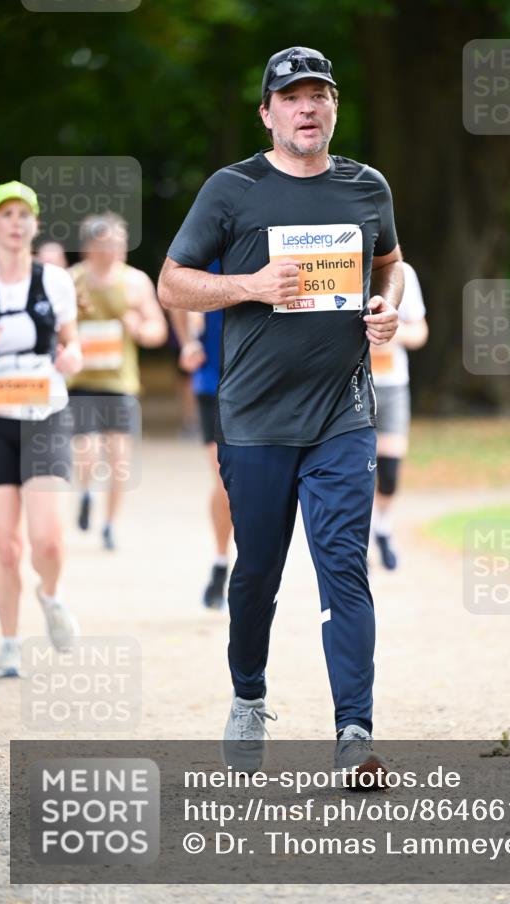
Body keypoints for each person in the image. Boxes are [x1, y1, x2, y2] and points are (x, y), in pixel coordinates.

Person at [158, 45, 404, 780]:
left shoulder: (367, 188)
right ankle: (246, 696)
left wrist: (385, 311)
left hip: (342, 415)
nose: (307, 108)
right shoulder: (232, 190)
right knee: (258, 569)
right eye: (291, 97)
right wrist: (251, 285)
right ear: (267, 113)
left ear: (333, 107)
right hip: (255, 421)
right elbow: (172, 284)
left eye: (318, 95)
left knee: (343, 569)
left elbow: (392, 263)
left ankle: (353, 733)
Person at [0, 181, 82, 678]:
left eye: (23, 215)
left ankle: (51, 594)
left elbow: (73, 343)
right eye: (5, 214)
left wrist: (72, 355)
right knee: (4, 544)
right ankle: (8, 642)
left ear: (35, 224)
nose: (15, 223)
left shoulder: (53, 281)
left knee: (46, 540)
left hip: (45, 413)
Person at [68, 212, 168, 550]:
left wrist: (138, 328)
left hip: (120, 383)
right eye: (108, 242)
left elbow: (158, 331)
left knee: (119, 460)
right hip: (81, 380)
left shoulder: (136, 282)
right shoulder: (71, 282)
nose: (116, 249)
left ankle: (109, 525)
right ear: (89, 246)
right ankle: (85, 492)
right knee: (87, 451)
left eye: (120, 242)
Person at [170, 265, 233, 609]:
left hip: (260, 381)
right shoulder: (209, 242)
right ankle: (221, 562)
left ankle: (254, 571)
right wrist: (188, 341)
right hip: (213, 380)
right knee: (225, 480)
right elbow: (174, 292)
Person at [370, 262, 428, 570]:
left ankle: (381, 527)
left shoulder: (403, 273)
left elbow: (420, 332)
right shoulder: (341, 269)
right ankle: (360, 540)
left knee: (389, 473)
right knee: (356, 471)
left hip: (392, 384)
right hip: (353, 385)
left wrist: (394, 331)